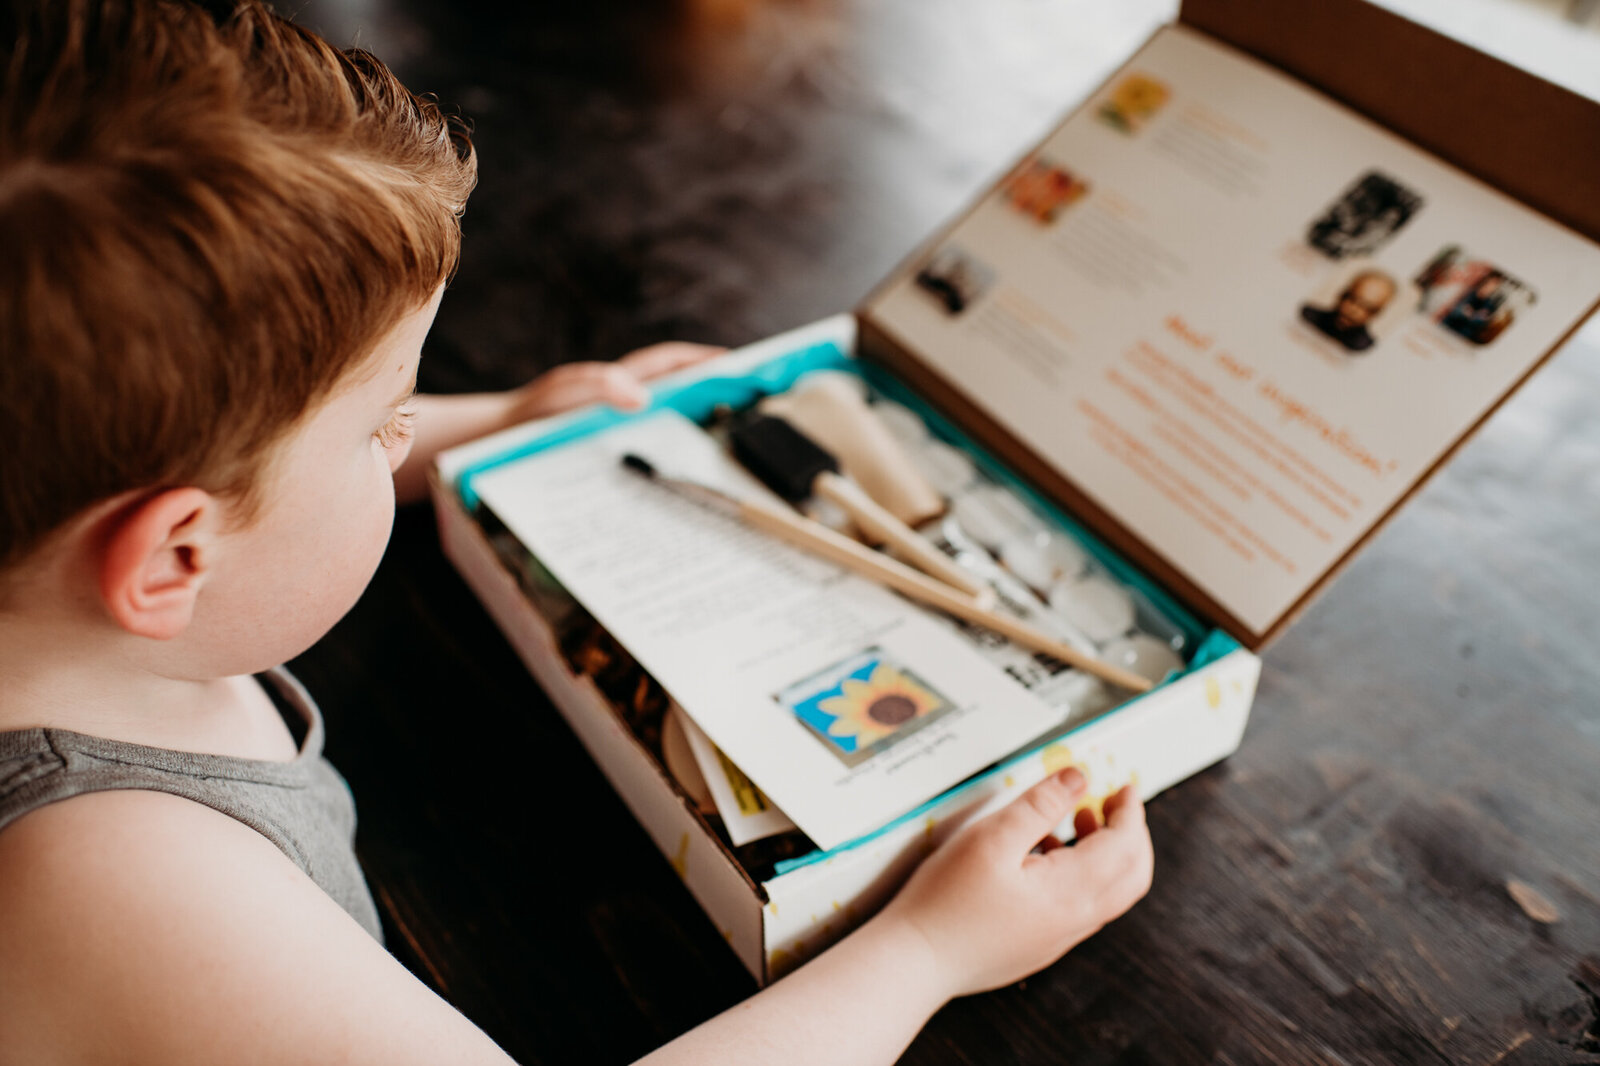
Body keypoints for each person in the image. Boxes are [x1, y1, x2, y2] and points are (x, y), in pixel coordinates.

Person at [0, 2, 1153, 1064]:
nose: (408, 437)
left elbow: (250, 487)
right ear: (170, 560)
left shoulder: (54, 565)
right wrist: (928, 952)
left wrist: (493, 421)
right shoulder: (121, 883)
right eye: (385, 422)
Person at [1299, 269, 1397, 353]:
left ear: (1376, 314)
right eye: (1353, 299)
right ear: (1342, 295)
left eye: (1367, 308)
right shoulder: (1308, 315)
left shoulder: (1364, 346)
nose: (1353, 310)